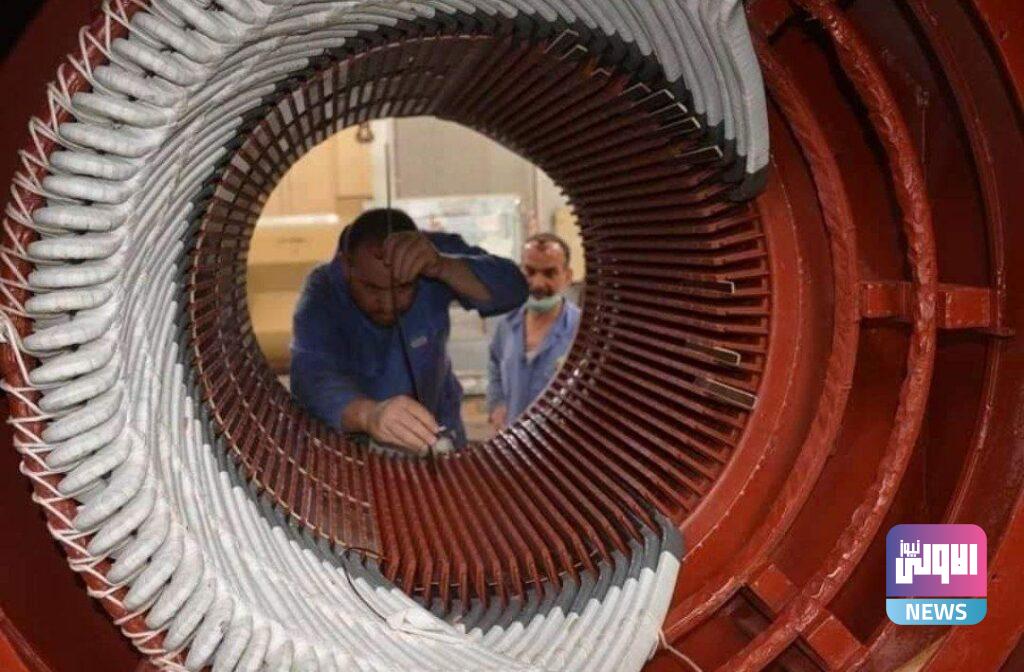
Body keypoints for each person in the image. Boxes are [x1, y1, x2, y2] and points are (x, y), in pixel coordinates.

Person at [290, 208, 527, 455]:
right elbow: (311, 376)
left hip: (440, 432)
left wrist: (441, 265)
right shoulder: (323, 291)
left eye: (402, 288)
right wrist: (368, 415)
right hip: (360, 451)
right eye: (372, 288)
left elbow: (514, 289)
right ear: (346, 266)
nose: (388, 304)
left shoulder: (430, 254)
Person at [487, 233, 581, 431]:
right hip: (514, 441)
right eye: (529, 272)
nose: (538, 284)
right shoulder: (505, 325)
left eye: (550, 273)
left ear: (568, 276)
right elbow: (495, 366)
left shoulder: (584, 331)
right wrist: (497, 404)